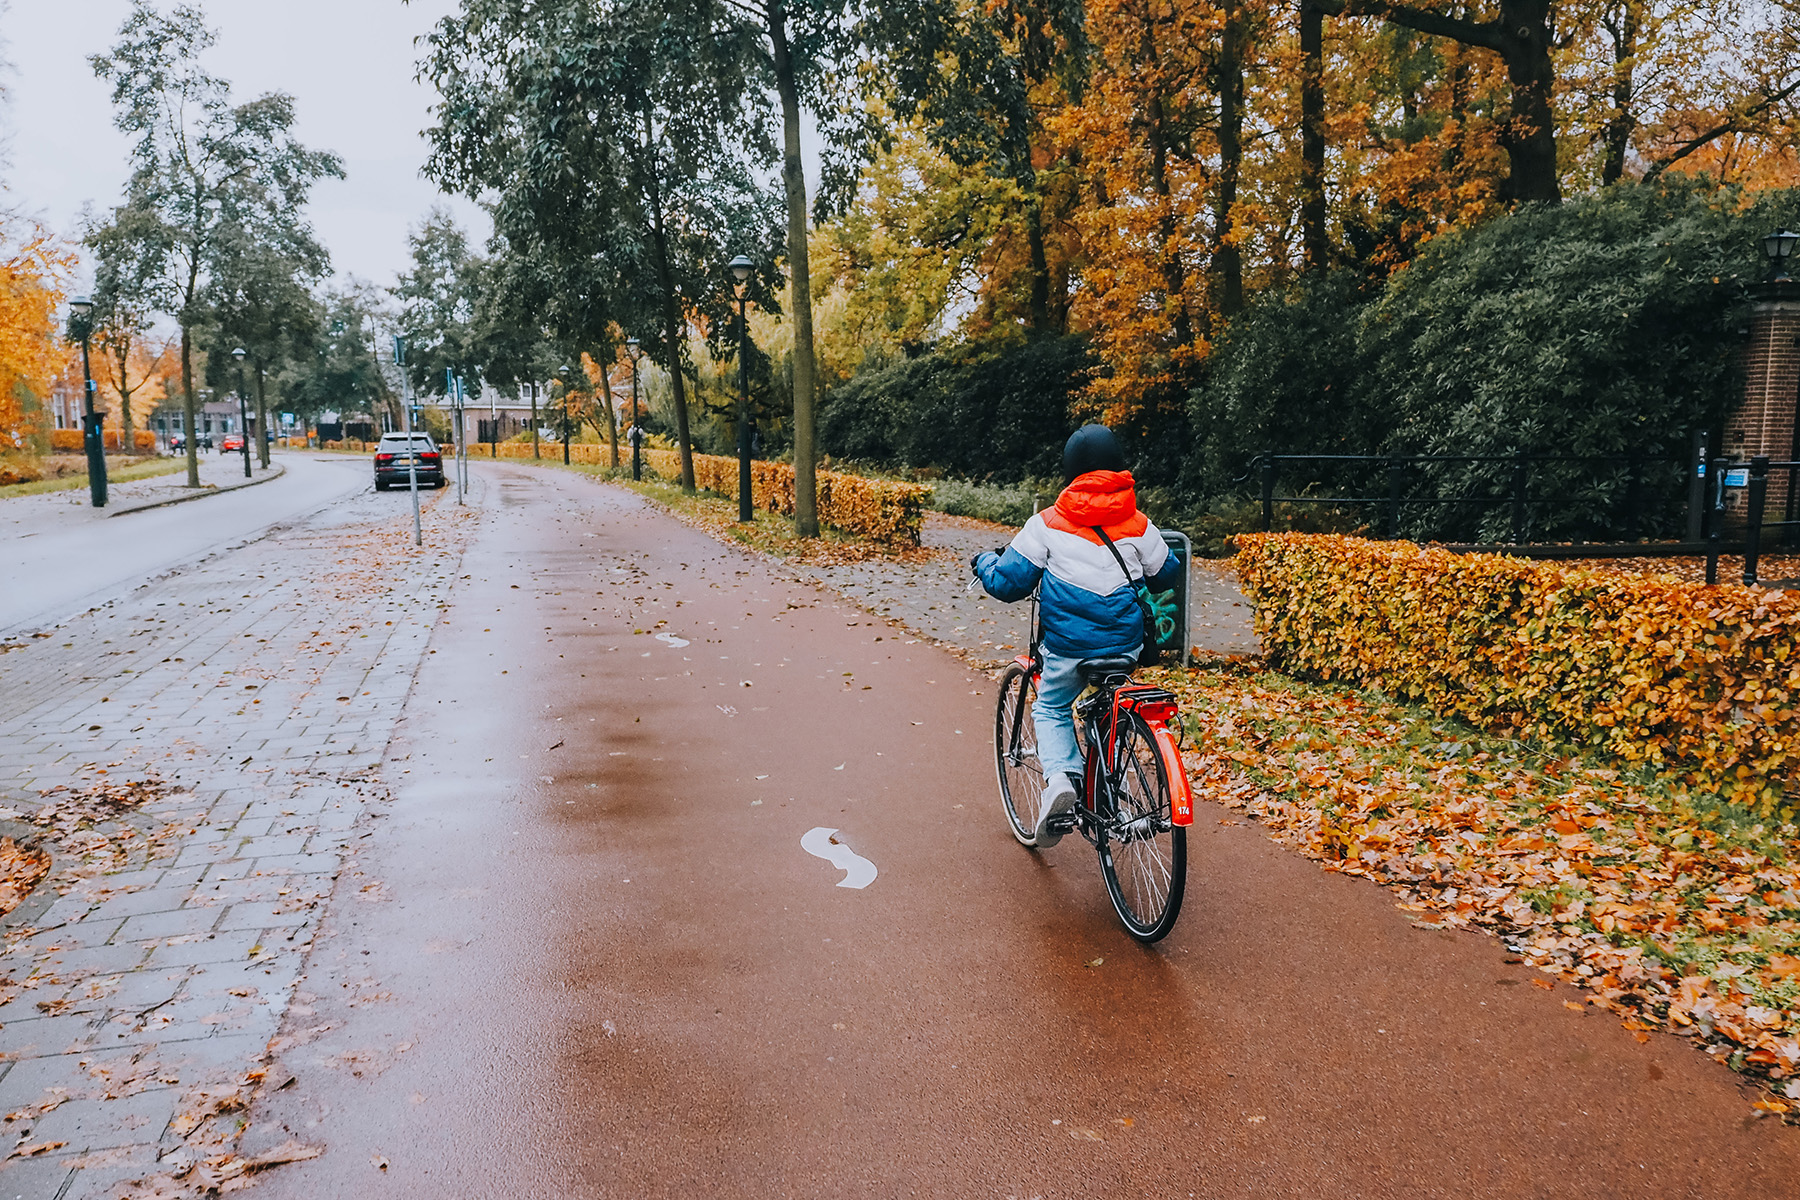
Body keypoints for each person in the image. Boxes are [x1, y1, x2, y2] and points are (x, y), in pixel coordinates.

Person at [970, 424, 1182, 847]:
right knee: (1108, 702)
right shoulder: (1138, 523)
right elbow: (1167, 575)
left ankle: (1061, 780)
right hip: (1126, 645)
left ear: (1070, 471)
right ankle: (1108, 775)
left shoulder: (1046, 523)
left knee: (1050, 706)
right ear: (1119, 467)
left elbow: (1010, 583)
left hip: (1068, 648)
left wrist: (982, 564)